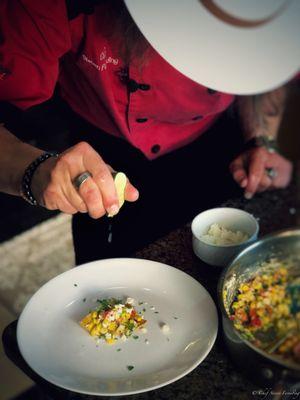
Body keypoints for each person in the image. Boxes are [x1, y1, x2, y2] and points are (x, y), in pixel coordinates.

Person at [0, 0, 295, 264]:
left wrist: (260, 137)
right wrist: (35, 171)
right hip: (102, 157)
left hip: (217, 144)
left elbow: (263, 69)